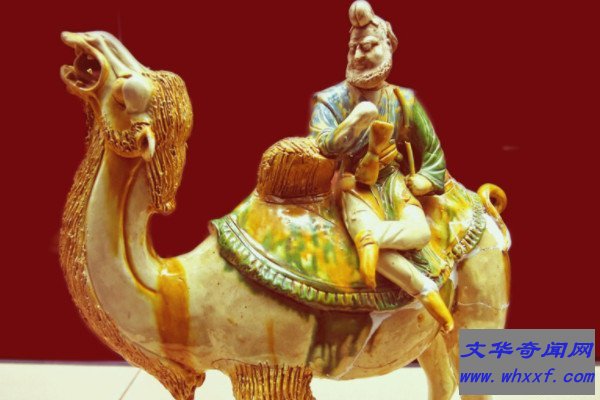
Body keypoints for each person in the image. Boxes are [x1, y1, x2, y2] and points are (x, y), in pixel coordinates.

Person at [308, 1, 453, 332]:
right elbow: (320, 145)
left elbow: (432, 152)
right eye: (353, 48)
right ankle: (425, 290)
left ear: (388, 47)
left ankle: (370, 239)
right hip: (351, 186)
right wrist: (354, 125)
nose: (358, 54)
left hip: (393, 185)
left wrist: (425, 180)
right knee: (366, 232)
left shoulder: (404, 101)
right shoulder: (331, 101)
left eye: (368, 46)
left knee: (420, 233)